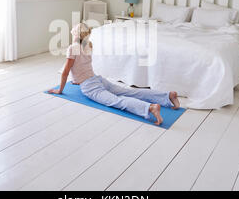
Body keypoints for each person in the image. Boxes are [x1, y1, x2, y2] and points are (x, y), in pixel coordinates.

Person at [48, 23, 180, 125]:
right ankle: (168, 96)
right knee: (130, 92)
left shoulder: (72, 48)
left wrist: (60, 90)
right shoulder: (89, 45)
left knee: (116, 101)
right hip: (97, 79)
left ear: (76, 35)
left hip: (90, 85)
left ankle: (150, 108)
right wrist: (78, 79)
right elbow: (82, 66)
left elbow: (65, 72)